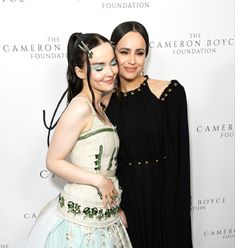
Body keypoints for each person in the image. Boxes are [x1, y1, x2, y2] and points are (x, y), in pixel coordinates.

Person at [25, 32, 132, 248]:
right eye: (99, 67)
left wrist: (115, 207)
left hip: (105, 217)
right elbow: (53, 161)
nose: (110, 72)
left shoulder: (99, 107)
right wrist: (99, 181)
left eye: (112, 63)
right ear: (80, 71)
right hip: (81, 225)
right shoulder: (80, 107)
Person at [104, 21, 193, 248]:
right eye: (124, 52)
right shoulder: (103, 103)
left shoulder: (169, 93)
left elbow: (180, 160)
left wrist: (177, 210)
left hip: (165, 197)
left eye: (139, 52)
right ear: (113, 53)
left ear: (147, 55)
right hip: (127, 202)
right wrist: (116, 207)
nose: (132, 61)